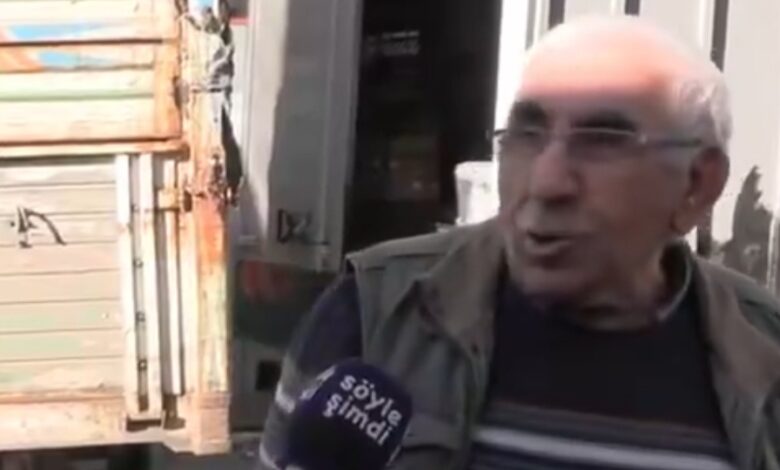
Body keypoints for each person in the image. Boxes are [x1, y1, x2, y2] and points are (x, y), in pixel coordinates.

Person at [258, 15, 780, 470]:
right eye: (527, 134)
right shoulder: (375, 313)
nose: (547, 183)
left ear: (696, 185)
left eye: (603, 142)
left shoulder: (765, 355)